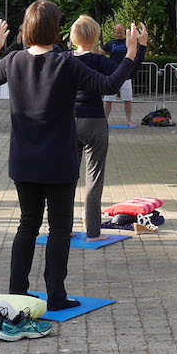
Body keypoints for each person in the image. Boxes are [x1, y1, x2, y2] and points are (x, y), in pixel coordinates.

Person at [0, 3, 145, 311]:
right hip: (58, 160)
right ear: (56, 30)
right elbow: (108, 84)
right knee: (58, 228)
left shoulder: (14, 60)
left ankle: (17, 290)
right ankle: (55, 295)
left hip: (24, 160)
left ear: (26, 30)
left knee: (27, 225)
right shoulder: (64, 63)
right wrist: (132, 53)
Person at [68, 15, 118, 238]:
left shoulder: (64, 59)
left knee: (66, 178)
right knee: (93, 179)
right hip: (94, 120)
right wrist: (139, 48)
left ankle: (63, 228)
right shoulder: (98, 61)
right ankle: (93, 231)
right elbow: (125, 72)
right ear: (96, 36)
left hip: (69, 122)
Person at [102, 23, 135, 125]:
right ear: (114, 32)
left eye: (121, 32)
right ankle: (104, 121)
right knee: (108, 100)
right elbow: (100, 53)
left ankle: (129, 121)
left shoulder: (127, 42)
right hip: (113, 75)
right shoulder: (110, 43)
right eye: (117, 32)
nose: (119, 34)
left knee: (127, 99)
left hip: (126, 75)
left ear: (124, 31)